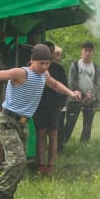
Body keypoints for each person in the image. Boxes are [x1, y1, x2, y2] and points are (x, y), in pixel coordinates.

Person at [0, 44, 80, 199]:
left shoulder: (45, 75)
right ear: (32, 61)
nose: (44, 67)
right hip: (7, 122)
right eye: (41, 63)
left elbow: (55, 84)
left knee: (20, 167)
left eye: (47, 63)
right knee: (18, 161)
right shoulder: (21, 74)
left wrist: (70, 93)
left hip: (23, 125)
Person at [32, 45, 68, 175]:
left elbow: (63, 86)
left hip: (54, 106)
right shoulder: (36, 69)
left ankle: (51, 164)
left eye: (50, 51)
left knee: (53, 135)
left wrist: (60, 105)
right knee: (41, 135)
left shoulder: (58, 68)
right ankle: (41, 164)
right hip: (39, 106)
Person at [60, 40, 100, 146]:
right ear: (81, 51)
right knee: (70, 123)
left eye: (90, 51)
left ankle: (84, 145)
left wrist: (91, 95)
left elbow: (97, 83)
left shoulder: (95, 67)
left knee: (87, 125)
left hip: (90, 100)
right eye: (85, 50)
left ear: (93, 52)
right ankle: (61, 144)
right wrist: (83, 94)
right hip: (75, 99)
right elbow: (71, 82)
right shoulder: (75, 65)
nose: (87, 53)